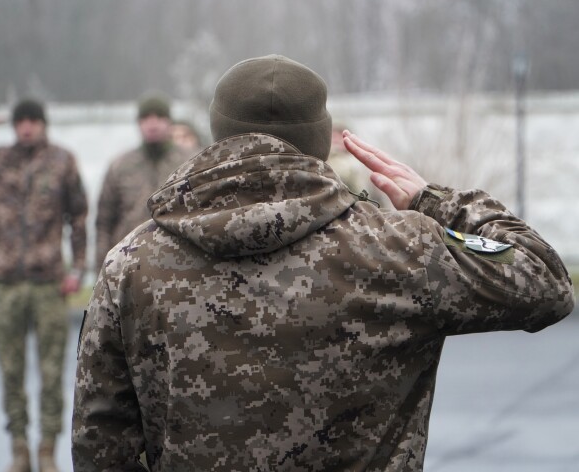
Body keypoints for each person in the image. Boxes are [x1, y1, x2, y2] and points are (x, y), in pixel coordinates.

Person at [72, 55, 574, 471]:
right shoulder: (399, 248)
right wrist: (432, 199)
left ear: (219, 133)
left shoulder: (132, 262)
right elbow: (546, 282)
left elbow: (100, 443)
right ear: (320, 137)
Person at [0, 99, 88, 472]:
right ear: (14, 126)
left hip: (48, 281)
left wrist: (78, 267)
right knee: (10, 370)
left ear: (43, 124)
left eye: (33, 121)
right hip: (6, 281)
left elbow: (78, 215)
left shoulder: (61, 160)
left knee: (50, 371)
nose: (27, 128)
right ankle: (18, 448)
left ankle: (46, 449)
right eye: (21, 122)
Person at [94, 95, 188, 272]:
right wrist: (101, 269)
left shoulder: (189, 163)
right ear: (138, 124)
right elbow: (104, 222)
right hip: (128, 264)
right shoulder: (120, 166)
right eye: (146, 119)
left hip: (179, 265)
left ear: (169, 122)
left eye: (159, 118)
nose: (152, 125)